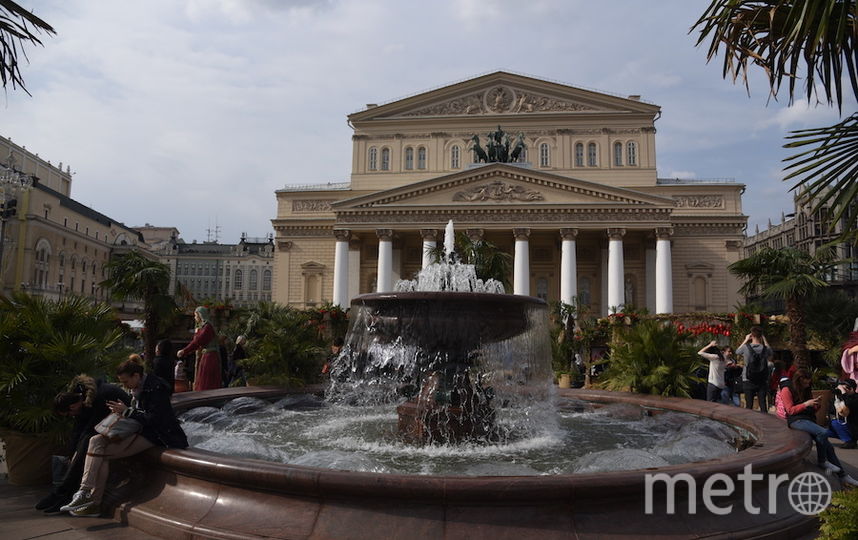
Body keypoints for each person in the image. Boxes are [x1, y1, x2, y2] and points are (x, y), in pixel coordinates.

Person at [60, 358, 188, 516]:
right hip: (139, 430)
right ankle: (85, 494)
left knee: (101, 454)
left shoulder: (156, 388)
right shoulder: (137, 389)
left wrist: (127, 411)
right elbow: (137, 415)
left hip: (157, 435)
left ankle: (91, 500)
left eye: (126, 381)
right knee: (95, 440)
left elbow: (156, 420)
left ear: (136, 376)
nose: (125, 386)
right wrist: (122, 412)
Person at [34, 375, 130, 514]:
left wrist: (77, 454)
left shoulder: (101, 396)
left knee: (87, 444)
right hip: (106, 429)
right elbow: (78, 429)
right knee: (83, 447)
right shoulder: (82, 399)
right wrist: (72, 453)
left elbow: (91, 429)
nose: (71, 416)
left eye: (69, 413)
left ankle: (64, 494)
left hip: (123, 428)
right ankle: (61, 493)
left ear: (73, 405)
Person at [777, 369, 858, 486]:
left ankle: (843, 476)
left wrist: (815, 405)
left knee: (829, 448)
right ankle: (822, 461)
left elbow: (809, 410)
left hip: (808, 420)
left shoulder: (805, 389)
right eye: (805, 383)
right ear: (798, 381)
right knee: (823, 432)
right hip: (796, 421)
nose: (807, 385)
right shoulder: (787, 389)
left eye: (808, 383)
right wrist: (806, 404)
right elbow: (790, 410)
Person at [177, 306, 222, 391]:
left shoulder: (207, 327)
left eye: (196, 315)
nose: (195, 318)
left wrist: (184, 351)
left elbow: (197, 342)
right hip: (208, 356)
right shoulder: (205, 327)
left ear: (200, 315)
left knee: (206, 381)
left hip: (209, 358)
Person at [736, 326, 773, 413]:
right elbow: (771, 352)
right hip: (762, 379)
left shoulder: (746, 347)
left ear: (751, 336)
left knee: (749, 405)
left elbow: (737, 351)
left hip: (748, 378)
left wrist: (745, 340)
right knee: (763, 404)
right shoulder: (765, 349)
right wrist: (764, 340)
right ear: (761, 336)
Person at [828, 378, 858, 449]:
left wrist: (844, 392)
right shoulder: (838, 398)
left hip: (854, 428)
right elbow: (832, 412)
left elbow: (849, 404)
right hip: (842, 426)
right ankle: (846, 437)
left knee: (835, 422)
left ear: (851, 389)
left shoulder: (856, 397)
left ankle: (850, 441)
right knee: (822, 432)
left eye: (845, 388)